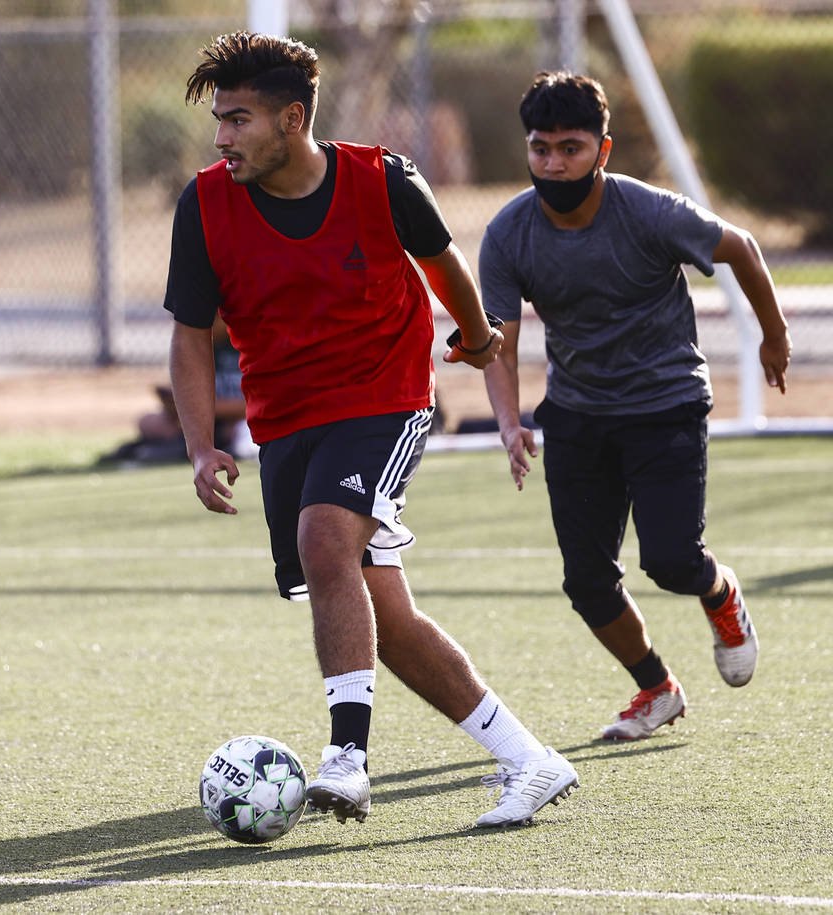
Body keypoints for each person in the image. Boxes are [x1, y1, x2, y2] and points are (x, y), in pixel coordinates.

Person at [164, 30, 578, 828]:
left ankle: (347, 759)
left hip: (386, 398)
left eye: (238, 119)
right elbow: (189, 333)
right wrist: (199, 442)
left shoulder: (382, 180)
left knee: (326, 540)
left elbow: (443, 261)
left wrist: (478, 334)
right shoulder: (205, 203)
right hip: (286, 420)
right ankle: (531, 760)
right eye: (219, 120)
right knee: (387, 620)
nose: (222, 137)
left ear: (292, 120)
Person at [479, 71, 792, 740]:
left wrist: (774, 333)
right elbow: (497, 344)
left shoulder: (648, 211)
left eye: (571, 148)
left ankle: (720, 593)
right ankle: (657, 688)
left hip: (665, 402)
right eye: (541, 149)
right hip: (577, 412)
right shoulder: (508, 234)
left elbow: (741, 247)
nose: (555, 163)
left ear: (603, 150)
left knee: (673, 562)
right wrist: (510, 420)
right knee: (587, 582)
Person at [100, 317, 255, 464]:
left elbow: (251, 406)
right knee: (148, 422)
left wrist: (198, 409)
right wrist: (173, 402)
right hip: (204, 418)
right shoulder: (201, 346)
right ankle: (175, 446)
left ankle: (183, 447)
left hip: (235, 419)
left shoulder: (245, 346)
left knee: (240, 430)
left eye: (211, 321)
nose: (207, 327)